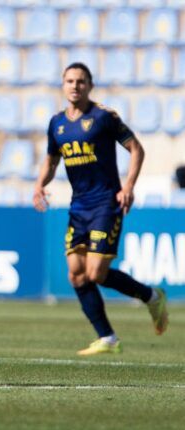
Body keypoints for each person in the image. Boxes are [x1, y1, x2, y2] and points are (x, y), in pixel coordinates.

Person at [33, 62, 168, 356]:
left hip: (106, 202)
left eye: (81, 81)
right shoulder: (56, 123)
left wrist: (128, 186)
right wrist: (39, 185)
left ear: (90, 85)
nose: (75, 86)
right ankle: (107, 337)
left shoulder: (103, 117)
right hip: (78, 205)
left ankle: (151, 296)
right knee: (76, 275)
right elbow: (52, 160)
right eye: (69, 80)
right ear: (63, 84)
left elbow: (136, 149)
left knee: (95, 272)